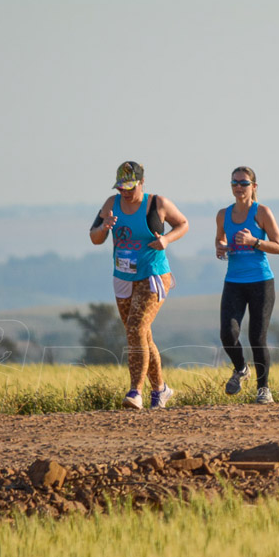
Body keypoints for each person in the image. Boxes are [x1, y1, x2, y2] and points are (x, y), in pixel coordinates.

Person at [90, 161, 188, 410]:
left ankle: (136, 392)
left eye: (129, 187)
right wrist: (104, 227)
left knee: (135, 328)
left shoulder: (157, 204)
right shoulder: (111, 204)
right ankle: (161, 390)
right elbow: (95, 237)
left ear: (142, 182)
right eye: (121, 187)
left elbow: (183, 224)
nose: (124, 192)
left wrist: (166, 239)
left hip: (153, 274)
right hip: (122, 276)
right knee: (140, 334)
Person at [215, 166, 279, 403]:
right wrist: (221, 248)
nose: (238, 187)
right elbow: (219, 239)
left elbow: (278, 246)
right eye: (234, 182)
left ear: (253, 187)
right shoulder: (223, 214)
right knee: (227, 333)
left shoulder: (262, 212)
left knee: (257, 337)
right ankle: (241, 368)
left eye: (244, 183)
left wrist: (254, 241)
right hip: (233, 282)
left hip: (261, 282)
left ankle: (263, 389)